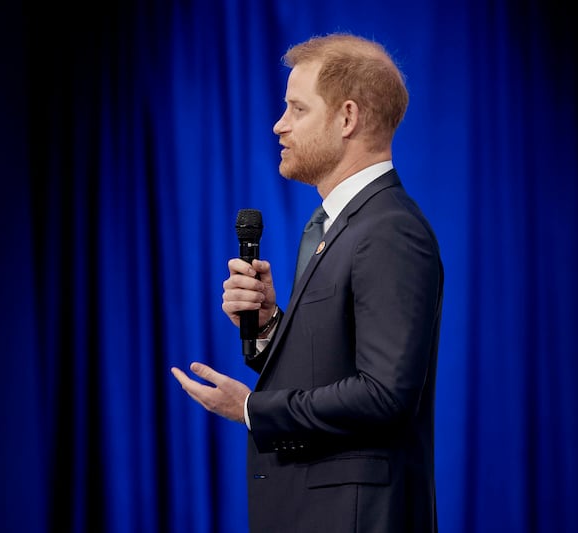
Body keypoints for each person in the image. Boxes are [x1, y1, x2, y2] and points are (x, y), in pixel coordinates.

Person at [171, 33, 443, 532]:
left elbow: (385, 396)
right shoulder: (336, 226)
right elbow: (332, 366)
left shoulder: (390, 230)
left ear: (346, 118)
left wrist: (253, 409)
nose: (279, 125)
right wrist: (272, 325)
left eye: (297, 109)